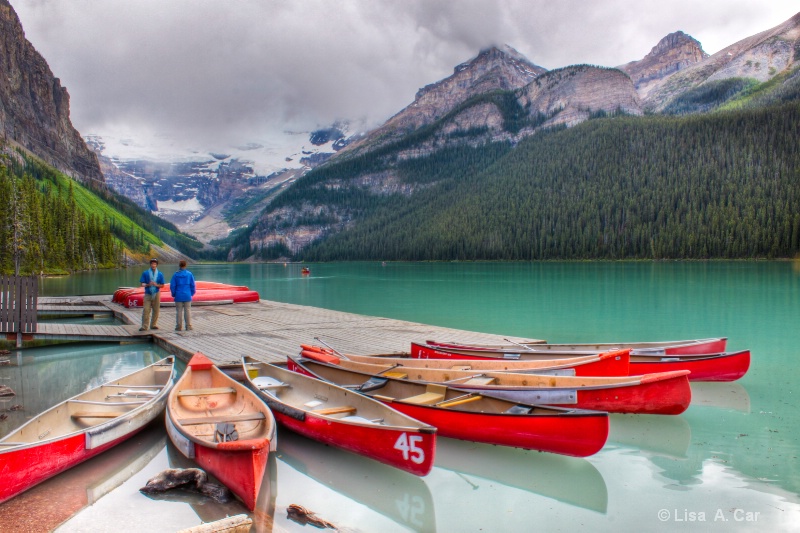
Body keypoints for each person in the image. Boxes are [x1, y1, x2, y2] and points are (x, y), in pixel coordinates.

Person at [170, 260, 196, 331]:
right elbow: (193, 285)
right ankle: (188, 326)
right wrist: (191, 293)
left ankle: (178, 326)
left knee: (179, 311)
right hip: (187, 295)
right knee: (187, 311)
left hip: (178, 295)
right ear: (185, 265)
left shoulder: (175, 275)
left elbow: (172, 286)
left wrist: (174, 294)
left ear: (179, 265)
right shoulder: (189, 274)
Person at [139, 258, 165, 331]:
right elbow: (142, 284)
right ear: (150, 265)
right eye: (152, 264)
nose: (153, 265)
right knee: (146, 309)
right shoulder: (145, 273)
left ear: (156, 265)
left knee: (156, 309)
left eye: (155, 264)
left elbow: (162, 285)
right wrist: (148, 284)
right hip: (148, 293)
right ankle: (144, 326)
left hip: (156, 293)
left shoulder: (160, 274)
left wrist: (156, 285)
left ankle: (153, 324)